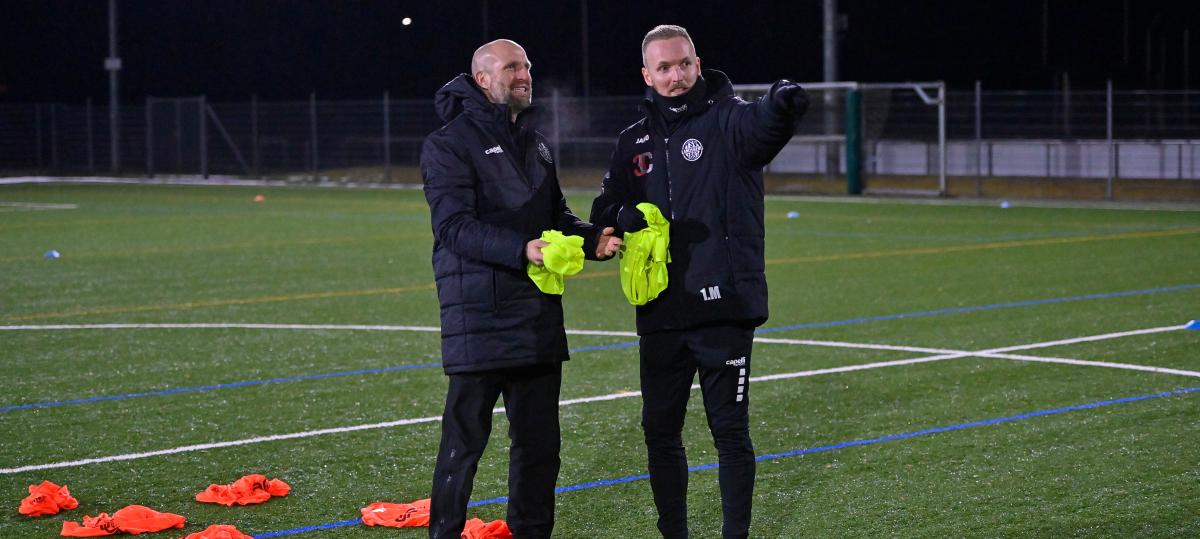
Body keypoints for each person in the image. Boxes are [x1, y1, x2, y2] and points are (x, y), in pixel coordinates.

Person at [590, 25, 810, 539]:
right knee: (660, 434)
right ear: (647, 74)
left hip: (724, 307)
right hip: (661, 310)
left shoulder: (729, 119)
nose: (674, 75)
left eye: (682, 64)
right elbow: (604, 207)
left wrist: (782, 103)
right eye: (663, 68)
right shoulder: (632, 140)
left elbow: (765, 126)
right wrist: (622, 216)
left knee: (729, 434)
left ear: (696, 63)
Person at [420, 38, 621, 539]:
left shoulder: (535, 142)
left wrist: (592, 237)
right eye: (512, 67)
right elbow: (453, 228)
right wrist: (521, 250)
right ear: (483, 79)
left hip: (535, 315)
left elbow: (556, 216)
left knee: (539, 447)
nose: (524, 74)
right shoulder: (448, 144)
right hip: (479, 316)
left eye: (527, 65)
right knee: (463, 444)